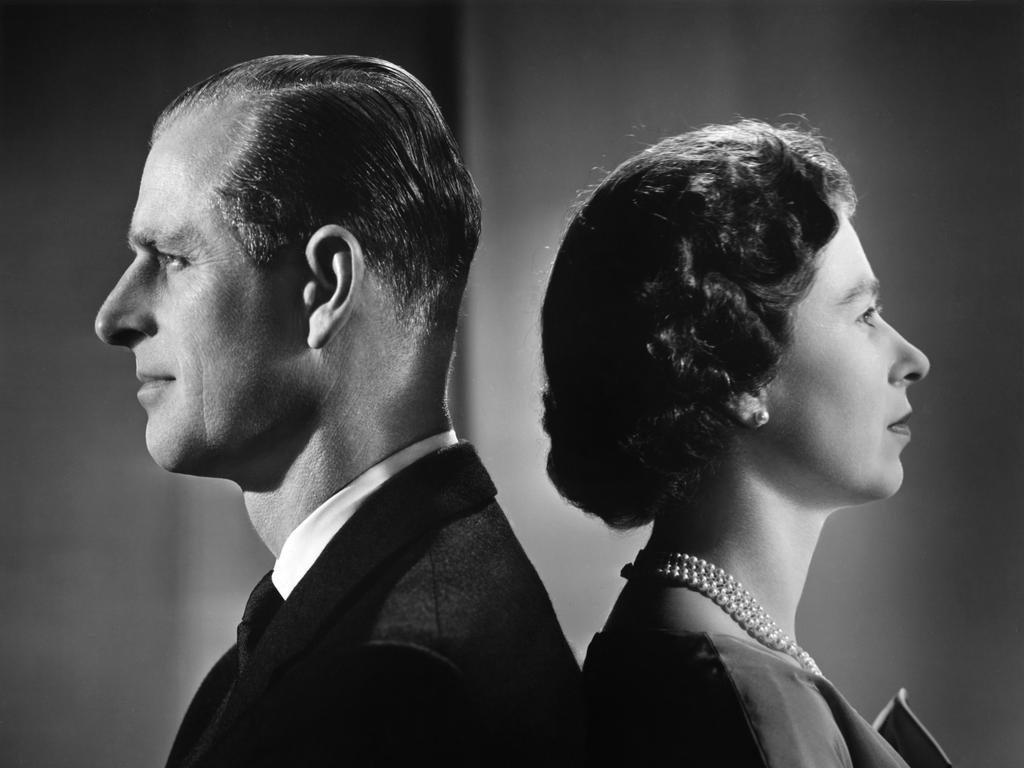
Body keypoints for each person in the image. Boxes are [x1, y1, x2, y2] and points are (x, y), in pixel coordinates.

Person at [95, 54, 582, 768]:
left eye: (171, 257)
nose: (116, 316)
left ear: (325, 287)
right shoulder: (373, 611)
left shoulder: (387, 686)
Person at [541, 121, 949, 767]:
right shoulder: (734, 698)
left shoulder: (712, 657)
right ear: (736, 376)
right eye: (863, 315)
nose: (913, 358)